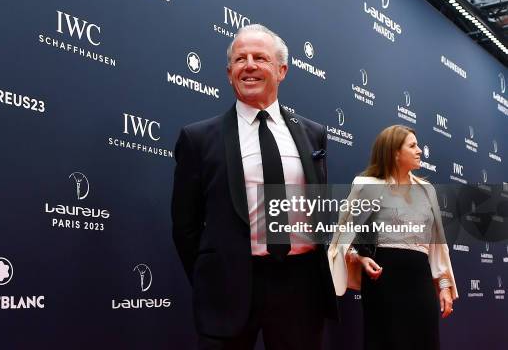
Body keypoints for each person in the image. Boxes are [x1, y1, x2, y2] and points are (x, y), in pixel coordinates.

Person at [171, 24, 337, 350]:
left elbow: (317, 212)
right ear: (229, 71)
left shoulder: (313, 133)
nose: (248, 65)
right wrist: (213, 275)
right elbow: (185, 226)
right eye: (239, 59)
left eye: (260, 58)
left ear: (282, 70)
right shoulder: (198, 138)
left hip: (300, 285)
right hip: (229, 286)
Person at [328, 125, 458, 350]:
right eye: (412, 146)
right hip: (383, 280)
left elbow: (437, 243)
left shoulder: (428, 190)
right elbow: (343, 236)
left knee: (424, 341)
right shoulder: (366, 186)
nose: (420, 151)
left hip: (420, 280)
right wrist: (359, 258)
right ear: (394, 153)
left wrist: (444, 285)